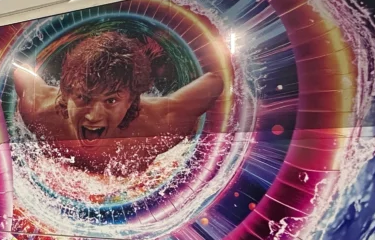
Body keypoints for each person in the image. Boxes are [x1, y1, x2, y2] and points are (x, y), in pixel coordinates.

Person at [13, 30, 224, 172]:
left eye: (111, 100)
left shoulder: (159, 124)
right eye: (83, 97)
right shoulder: (38, 110)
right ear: (66, 93)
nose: (93, 116)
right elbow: (20, 72)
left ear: (132, 101)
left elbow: (214, 81)